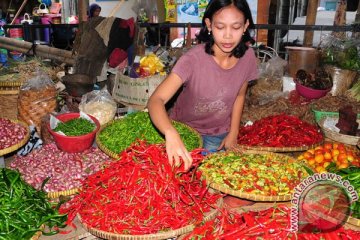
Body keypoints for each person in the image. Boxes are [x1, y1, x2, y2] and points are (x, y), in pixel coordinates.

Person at [147, 0, 258, 171]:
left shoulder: (248, 57)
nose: (228, 36)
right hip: (185, 133)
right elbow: (156, 100)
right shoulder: (192, 60)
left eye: (235, 27)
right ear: (209, 25)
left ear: (245, 26)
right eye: (220, 27)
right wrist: (170, 132)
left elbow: (240, 95)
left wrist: (233, 132)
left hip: (219, 135)